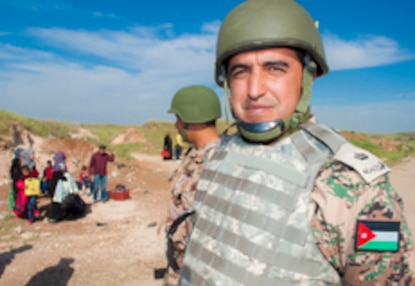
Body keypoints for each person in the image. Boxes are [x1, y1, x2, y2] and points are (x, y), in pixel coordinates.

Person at [178, 1, 414, 285]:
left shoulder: (354, 186)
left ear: (308, 75)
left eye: (274, 69)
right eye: (240, 72)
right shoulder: (212, 158)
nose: (254, 90)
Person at [163, 85, 222, 286]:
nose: (176, 125)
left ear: (191, 118)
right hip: (180, 262)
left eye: (178, 118)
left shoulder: (218, 162)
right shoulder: (195, 154)